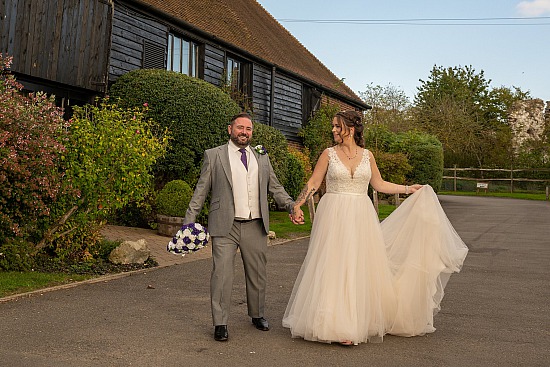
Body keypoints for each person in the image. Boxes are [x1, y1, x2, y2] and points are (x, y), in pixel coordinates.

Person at [282, 110, 468, 345]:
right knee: (334, 264)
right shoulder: (328, 154)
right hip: (333, 215)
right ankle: (334, 322)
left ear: (350, 129)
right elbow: (314, 182)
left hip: (361, 215)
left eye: (337, 126)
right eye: (333, 126)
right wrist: (297, 205)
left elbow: (378, 184)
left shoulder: (368, 156)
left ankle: (355, 320)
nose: (333, 130)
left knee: (358, 265)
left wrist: (408, 188)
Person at [184, 112, 304, 342]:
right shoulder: (214, 155)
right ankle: (220, 323)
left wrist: (291, 206)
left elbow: (275, 186)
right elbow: (201, 191)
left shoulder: (261, 156)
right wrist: (189, 220)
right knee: (221, 274)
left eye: (248, 129)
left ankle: (257, 314)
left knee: (257, 273)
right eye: (240, 128)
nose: (244, 132)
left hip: (255, 224)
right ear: (230, 129)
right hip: (224, 225)